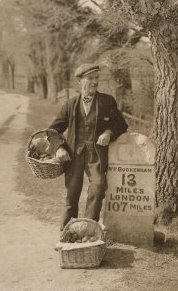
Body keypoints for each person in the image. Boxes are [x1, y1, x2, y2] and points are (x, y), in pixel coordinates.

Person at [48, 63, 128, 230]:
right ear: (80, 81)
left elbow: (121, 124)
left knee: (97, 189)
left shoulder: (107, 101)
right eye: (90, 78)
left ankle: (88, 231)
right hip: (74, 155)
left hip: (96, 156)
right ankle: (67, 233)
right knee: (72, 195)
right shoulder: (70, 104)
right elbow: (52, 130)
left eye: (96, 78)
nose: (94, 82)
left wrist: (108, 133)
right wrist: (59, 148)